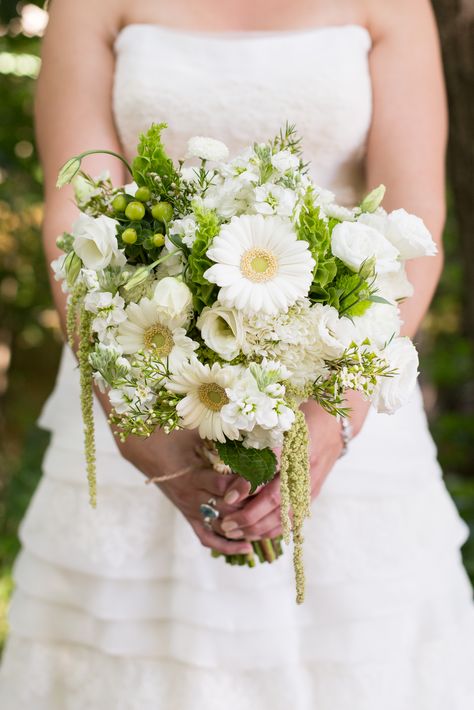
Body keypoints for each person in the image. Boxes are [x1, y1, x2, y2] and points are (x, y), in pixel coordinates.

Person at [1, 0, 474, 707]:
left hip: (341, 373)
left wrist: (334, 420)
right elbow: (76, 217)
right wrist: (135, 420)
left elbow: (414, 218)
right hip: (139, 369)